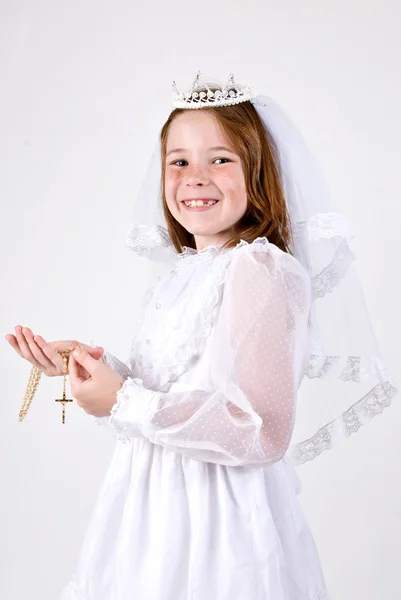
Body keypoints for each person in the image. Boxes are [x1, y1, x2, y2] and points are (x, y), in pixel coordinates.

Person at [6, 72, 397, 599]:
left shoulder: (260, 269)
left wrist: (123, 398)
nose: (195, 177)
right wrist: (96, 370)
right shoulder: (188, 272)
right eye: (179, 161)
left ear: (259, 171)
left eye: (220, 158)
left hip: (215, 524)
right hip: (153, 511)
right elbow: (175, 390)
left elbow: (261, 429)